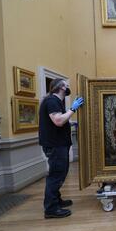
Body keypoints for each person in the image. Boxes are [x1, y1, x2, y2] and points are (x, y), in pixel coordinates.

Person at [39, 79, 84, 219]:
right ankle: (51, 209)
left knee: (59, 173)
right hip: (55, 145)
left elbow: (61, 120)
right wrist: (73, 108)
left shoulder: (56, 101)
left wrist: (73, 121)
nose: (68, 86)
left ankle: (56, 201)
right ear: (61, 87)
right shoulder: (52, 101)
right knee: (56, 175)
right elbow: (58, 121)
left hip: (58, 144)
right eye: (66, 84)